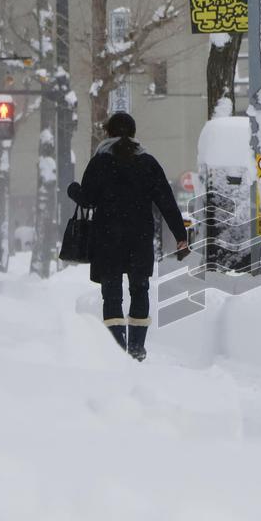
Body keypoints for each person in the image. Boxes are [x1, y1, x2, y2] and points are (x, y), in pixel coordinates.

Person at [68, 112, 189, 361]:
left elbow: (88, 200)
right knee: (139, 289)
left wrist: (74, 190)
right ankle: (136, 347)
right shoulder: (148, 162)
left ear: (109, 133)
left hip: (107, 237)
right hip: (139, 236)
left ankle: (117, 348)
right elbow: (167, 202)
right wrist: (180, 235)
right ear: (133, 133)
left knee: (111, 293)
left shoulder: (99, 161)